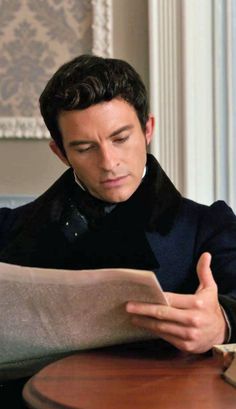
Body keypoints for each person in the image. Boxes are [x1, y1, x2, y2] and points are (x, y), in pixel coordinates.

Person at [0, 54, 236, 405]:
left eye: (121, 138)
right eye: (84, 148)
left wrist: (223, 324)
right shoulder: (10, 229)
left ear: (148, 130)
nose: (109, 163)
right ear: (61, 153)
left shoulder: (208, 226)